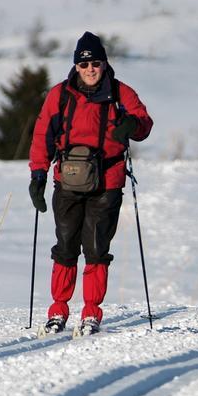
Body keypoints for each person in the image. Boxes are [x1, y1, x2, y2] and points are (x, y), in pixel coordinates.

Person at [28, 32, 153, 336]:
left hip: (107, 182)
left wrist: (131, 125)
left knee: (96, 248)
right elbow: (43, 134)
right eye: (84, 64)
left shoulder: (122, 94)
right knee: (66, 246)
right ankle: (58, 311)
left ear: (104, 63)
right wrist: (38, 174)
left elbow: (144, 125)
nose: (90, 69)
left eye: (96, 63)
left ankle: (91, 313)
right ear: (76, 66)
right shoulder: (59, 95)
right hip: (67, 180)